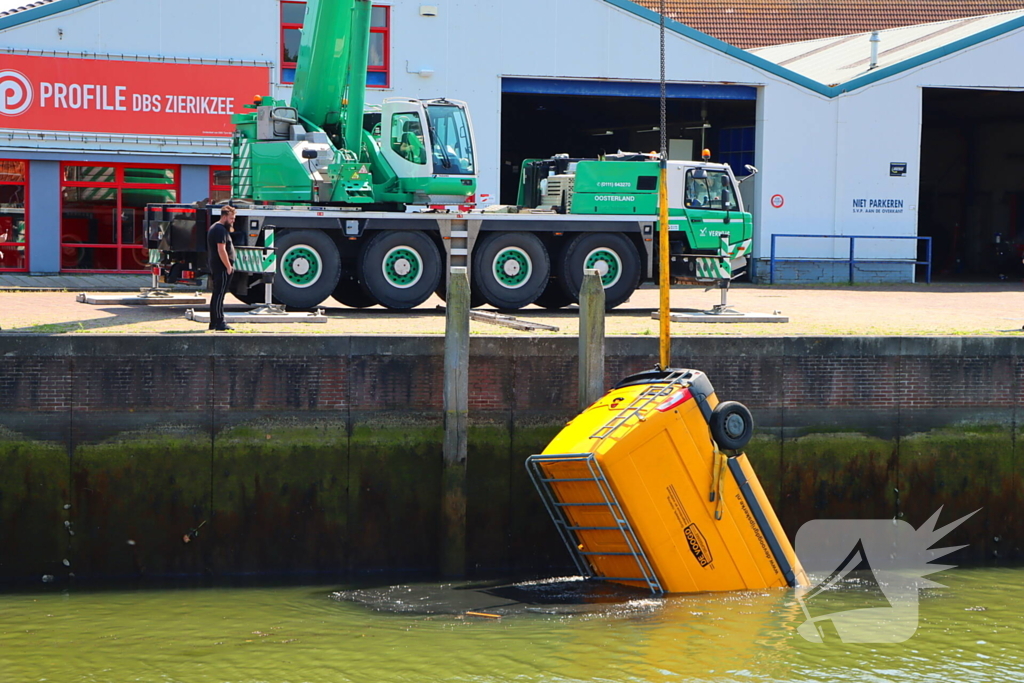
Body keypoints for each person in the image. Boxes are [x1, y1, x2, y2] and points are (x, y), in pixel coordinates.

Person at [206, 205, 236, 331]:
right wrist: (228, 266)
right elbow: (221, 249)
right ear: (224, 217)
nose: (233, 221)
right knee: (219, 295)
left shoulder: (216, 228)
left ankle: (214, 322)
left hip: (218, 266)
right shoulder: (220, 230)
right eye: (231, 218)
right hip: (221, 267)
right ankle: (220, 322)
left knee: (217, 294)